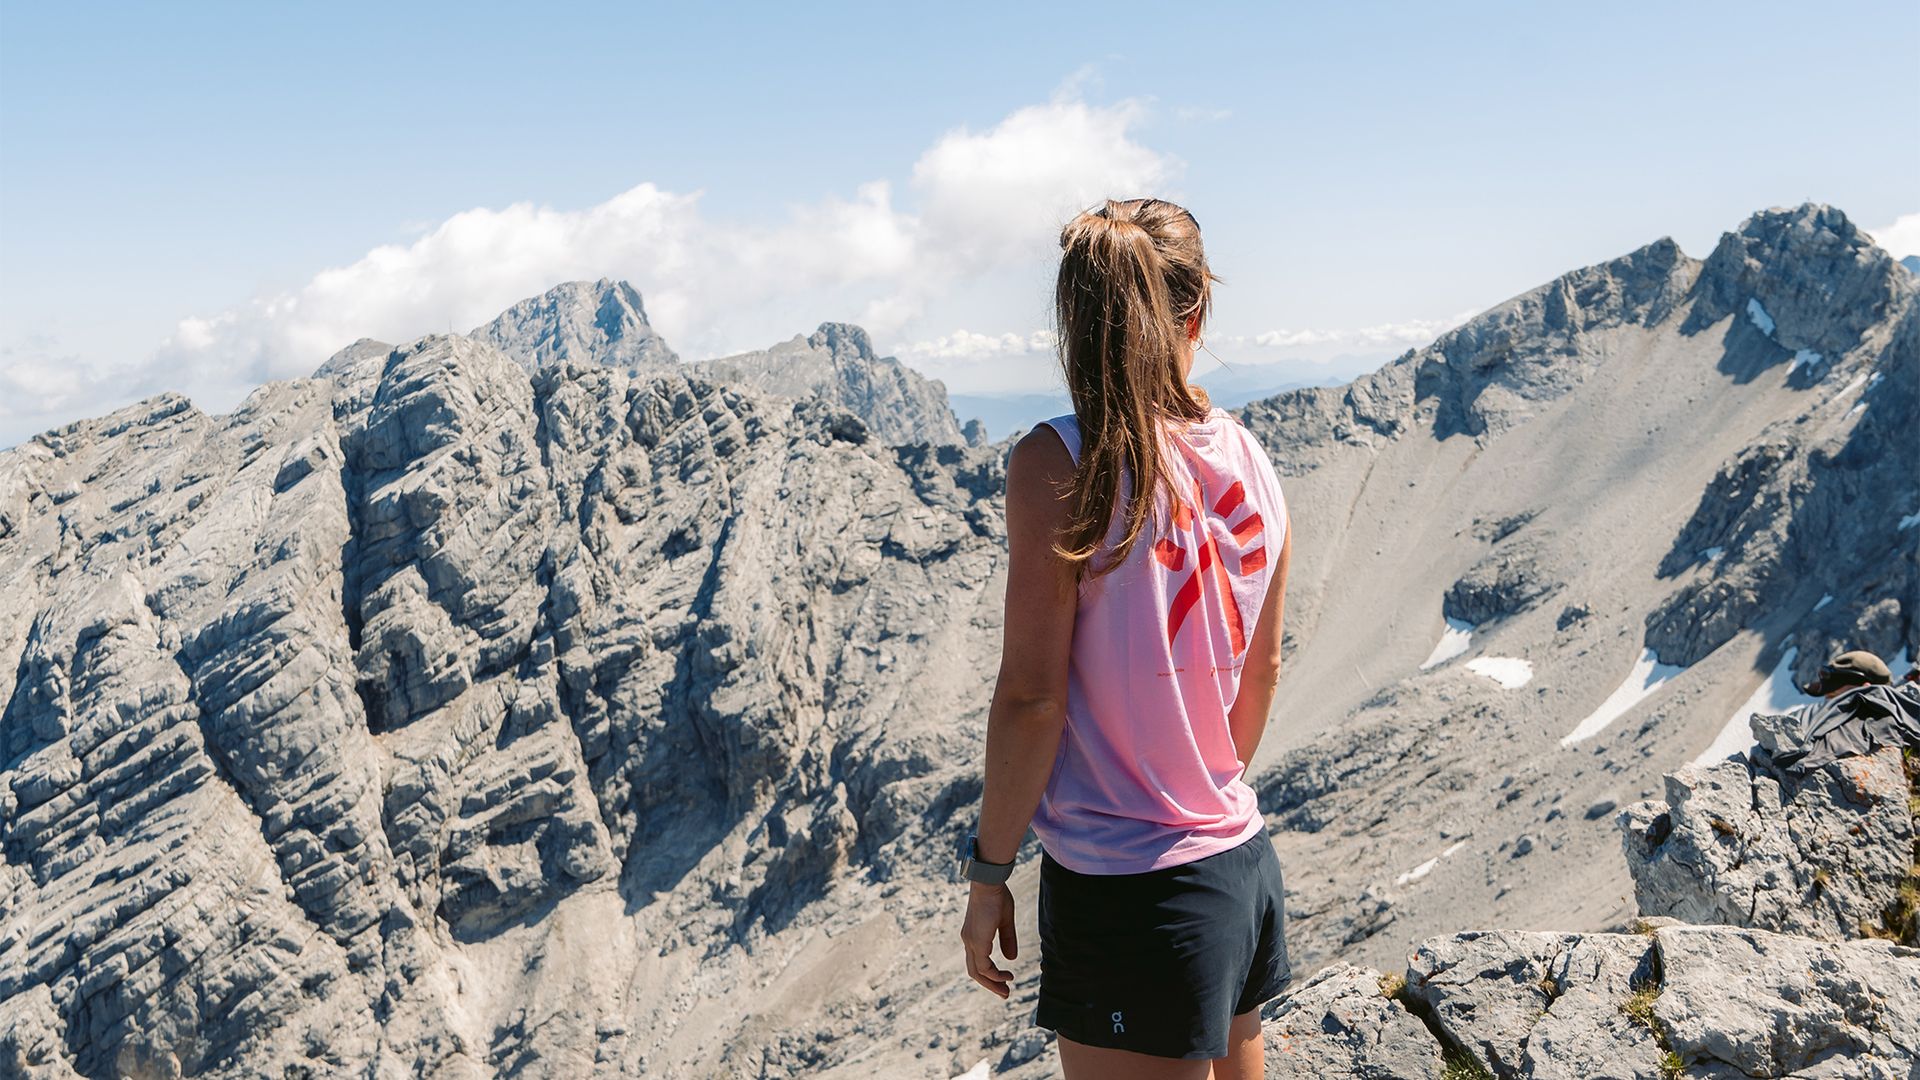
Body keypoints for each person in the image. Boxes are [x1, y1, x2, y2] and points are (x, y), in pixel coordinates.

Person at [957, 198, 1294, 1080]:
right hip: (1237, 867)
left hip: (1129, 891)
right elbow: (1260, 671)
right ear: (1196, 316)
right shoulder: (1251, 459)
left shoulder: (1059, 464)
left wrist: (989, 873)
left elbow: (1033, 700)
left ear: (1076, 323)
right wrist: (1198, 790)